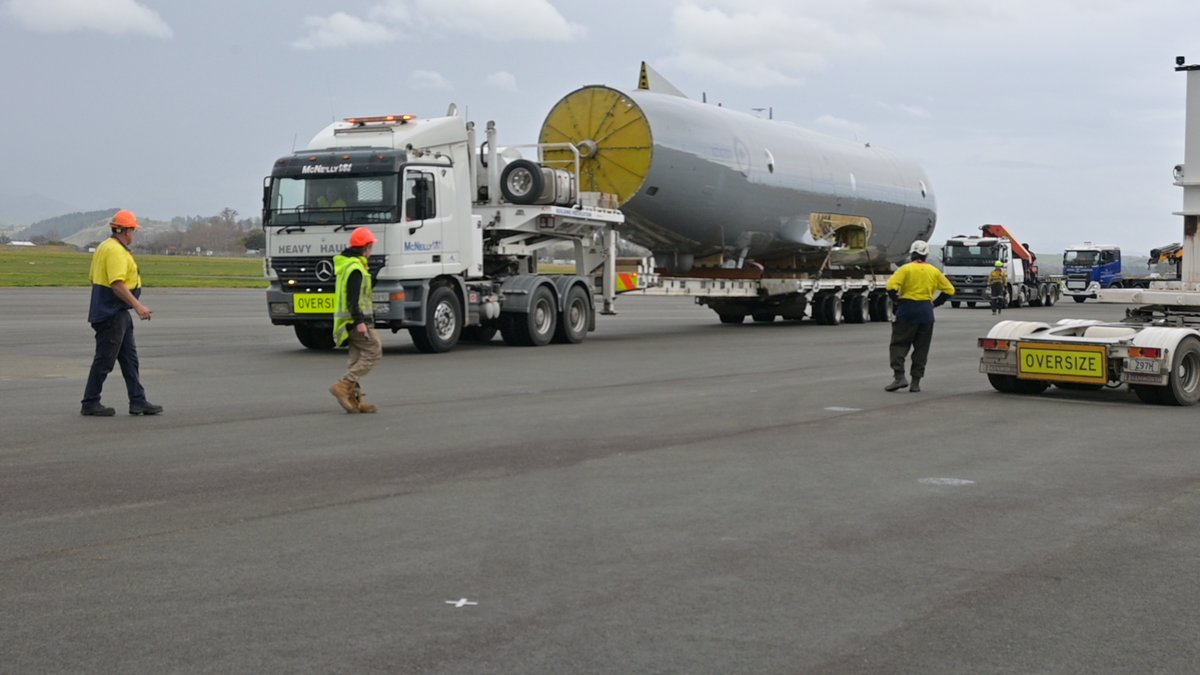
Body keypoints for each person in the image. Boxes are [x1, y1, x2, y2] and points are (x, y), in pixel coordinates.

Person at [80, 210, 164, 416]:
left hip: (117, 312)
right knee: (105, 360)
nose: (133, 234)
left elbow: (92, 278)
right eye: (133, 230)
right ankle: (90, 402)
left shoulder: (104, 247)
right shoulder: (116, 251)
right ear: (125, 230)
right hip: (111, 314)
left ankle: (138, 401)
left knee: (129, 360)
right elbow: (117, 284)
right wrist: (138, 305)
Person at [884, 240, 956, 393]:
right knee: (921, 348)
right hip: (925, 312)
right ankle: (915, 382)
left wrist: (897, 301)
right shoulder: (934, 271)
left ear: (912, 254)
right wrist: (934, 304)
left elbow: (891, 287)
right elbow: (950, 290)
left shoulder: (905, 269)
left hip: (907, 309)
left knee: (899, 344)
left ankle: (899, 377)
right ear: (926, 255)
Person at [329, 227, 382, 413]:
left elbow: (361, 292)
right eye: (371, 247)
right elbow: (353, 298)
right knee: (374, 352)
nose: (372, 251)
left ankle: (354, 400)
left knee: (355, 360)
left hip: (348, 322)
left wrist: (373, 274)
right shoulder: (355, 269)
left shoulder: (350, 265)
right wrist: (360, 322)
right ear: (365, 247)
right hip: (357, 321)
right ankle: (344, 385)